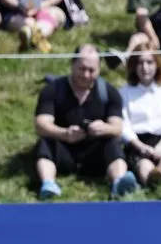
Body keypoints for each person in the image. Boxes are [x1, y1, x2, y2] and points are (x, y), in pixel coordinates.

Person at [33, 45, 138, 200]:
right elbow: (40, 124)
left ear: (99, 69)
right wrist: (64, 134)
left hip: (95, 153)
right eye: (82, 69)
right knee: (44, 143)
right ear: (72, 64)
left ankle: (118, 182)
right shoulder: (53, 90)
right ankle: (48, 184)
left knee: (113, 143)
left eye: (92, 70)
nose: (86, 75)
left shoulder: (109, 93)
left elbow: (117, 128)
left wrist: (103, 128)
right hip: (64, 148)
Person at [120, 44, 161, 186]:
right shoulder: (124, 93)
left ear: (157, 64)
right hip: (138, 143)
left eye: (149, 62)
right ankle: (151, 182)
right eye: (140, 63)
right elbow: (124, 126)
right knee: (144, 166)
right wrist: (140, 146)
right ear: (134, 66)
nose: (145, 67)